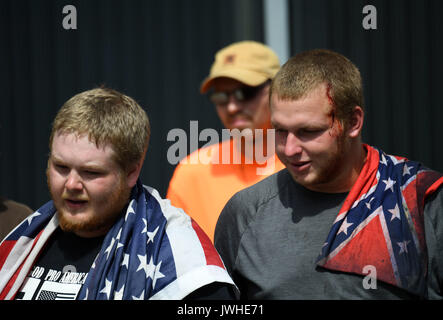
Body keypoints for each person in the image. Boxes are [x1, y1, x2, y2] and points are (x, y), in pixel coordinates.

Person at [215, 49, 443, 299]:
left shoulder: (422, 200)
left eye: (308, 131)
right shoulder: (245, 212)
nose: (289, 149)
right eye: (280, 131)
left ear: (353, 122)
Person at [0, 87, 236, 300]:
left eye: (90, 172)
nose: (71, 184)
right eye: (60, 167)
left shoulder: (180, 259)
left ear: (132, 172)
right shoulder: (20, 241)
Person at [167, 41, 285, 242]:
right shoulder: (192, 171)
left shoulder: (304, 163)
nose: (232, 107)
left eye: (245, 93)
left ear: (279, 89)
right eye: (221, 96)